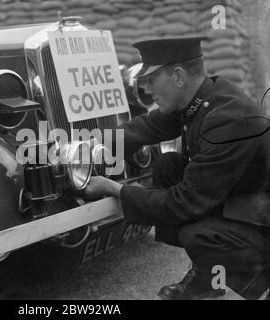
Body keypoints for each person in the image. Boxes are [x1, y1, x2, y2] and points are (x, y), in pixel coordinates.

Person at [84, 36, 270, 300]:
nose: (147, 90)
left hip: (262, 222)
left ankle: (261, 284)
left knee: (196, 235)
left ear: (179, 76)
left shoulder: (227, 120)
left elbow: (184, 203)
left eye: (151, 80)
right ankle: (208, 279)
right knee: (168, 167)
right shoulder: (200, 97)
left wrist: (117, 189)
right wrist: (90, 147)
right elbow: (147, 127)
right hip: (245, 201)